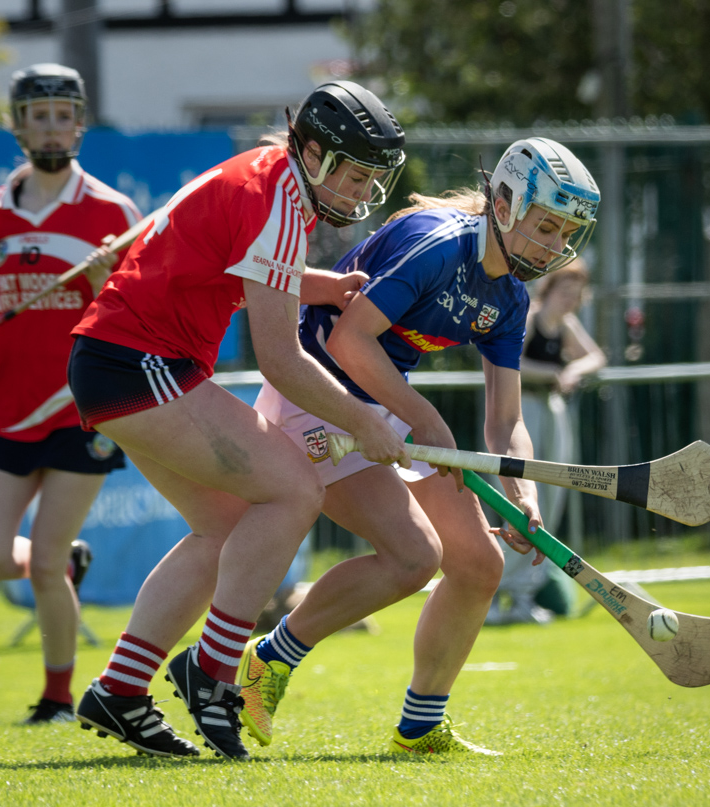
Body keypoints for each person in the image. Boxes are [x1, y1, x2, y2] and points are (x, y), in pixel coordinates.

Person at [68, 81, 410, 760]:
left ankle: (120, 690)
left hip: (119, 360)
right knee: (293, 488)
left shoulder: (272, 179)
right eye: (352, 170)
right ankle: (213, 670)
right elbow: (281, 362)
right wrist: (369, 419)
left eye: (373, 176)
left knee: (223, 527)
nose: (360, 188)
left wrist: (324, 286)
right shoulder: (278, 200)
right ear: (310, 152)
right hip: (139, 361)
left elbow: (244, 267)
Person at [235, 137, 601, 755]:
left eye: (566, 234)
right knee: (413, 557)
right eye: (545, 226)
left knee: (479, 565)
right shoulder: (436, 244)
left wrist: (523, 491)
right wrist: (425, 419)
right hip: (314, 397)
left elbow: (505, 420)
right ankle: (266, 662)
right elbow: (350, 341)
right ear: (505, 204)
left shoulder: (508, 299)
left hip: (381, 408)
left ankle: (422, 724)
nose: (554, 247)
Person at [0, 64, 141, 723]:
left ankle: (57, 696)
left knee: (40, 564)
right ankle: (67, 562)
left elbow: (128, 316)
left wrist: (101, 281)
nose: (50, 125)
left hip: (79, 405)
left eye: (62, 113)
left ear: (79, 122)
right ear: (17, 126)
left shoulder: (111, 212)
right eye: (36, 115)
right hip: (7, 407)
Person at [485, 259, 607, 626]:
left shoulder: (565, 325)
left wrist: (571, 370)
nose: (571, 299)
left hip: (552, 413)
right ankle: (491, 592)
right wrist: (553, 372)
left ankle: (523, 595)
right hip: (522, 414)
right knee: (515, 502)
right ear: (550, 289)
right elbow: (510, 361)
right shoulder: (531, 317)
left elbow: (595, 357)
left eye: (577, 292)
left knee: (546, 506)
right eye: (565, 290)